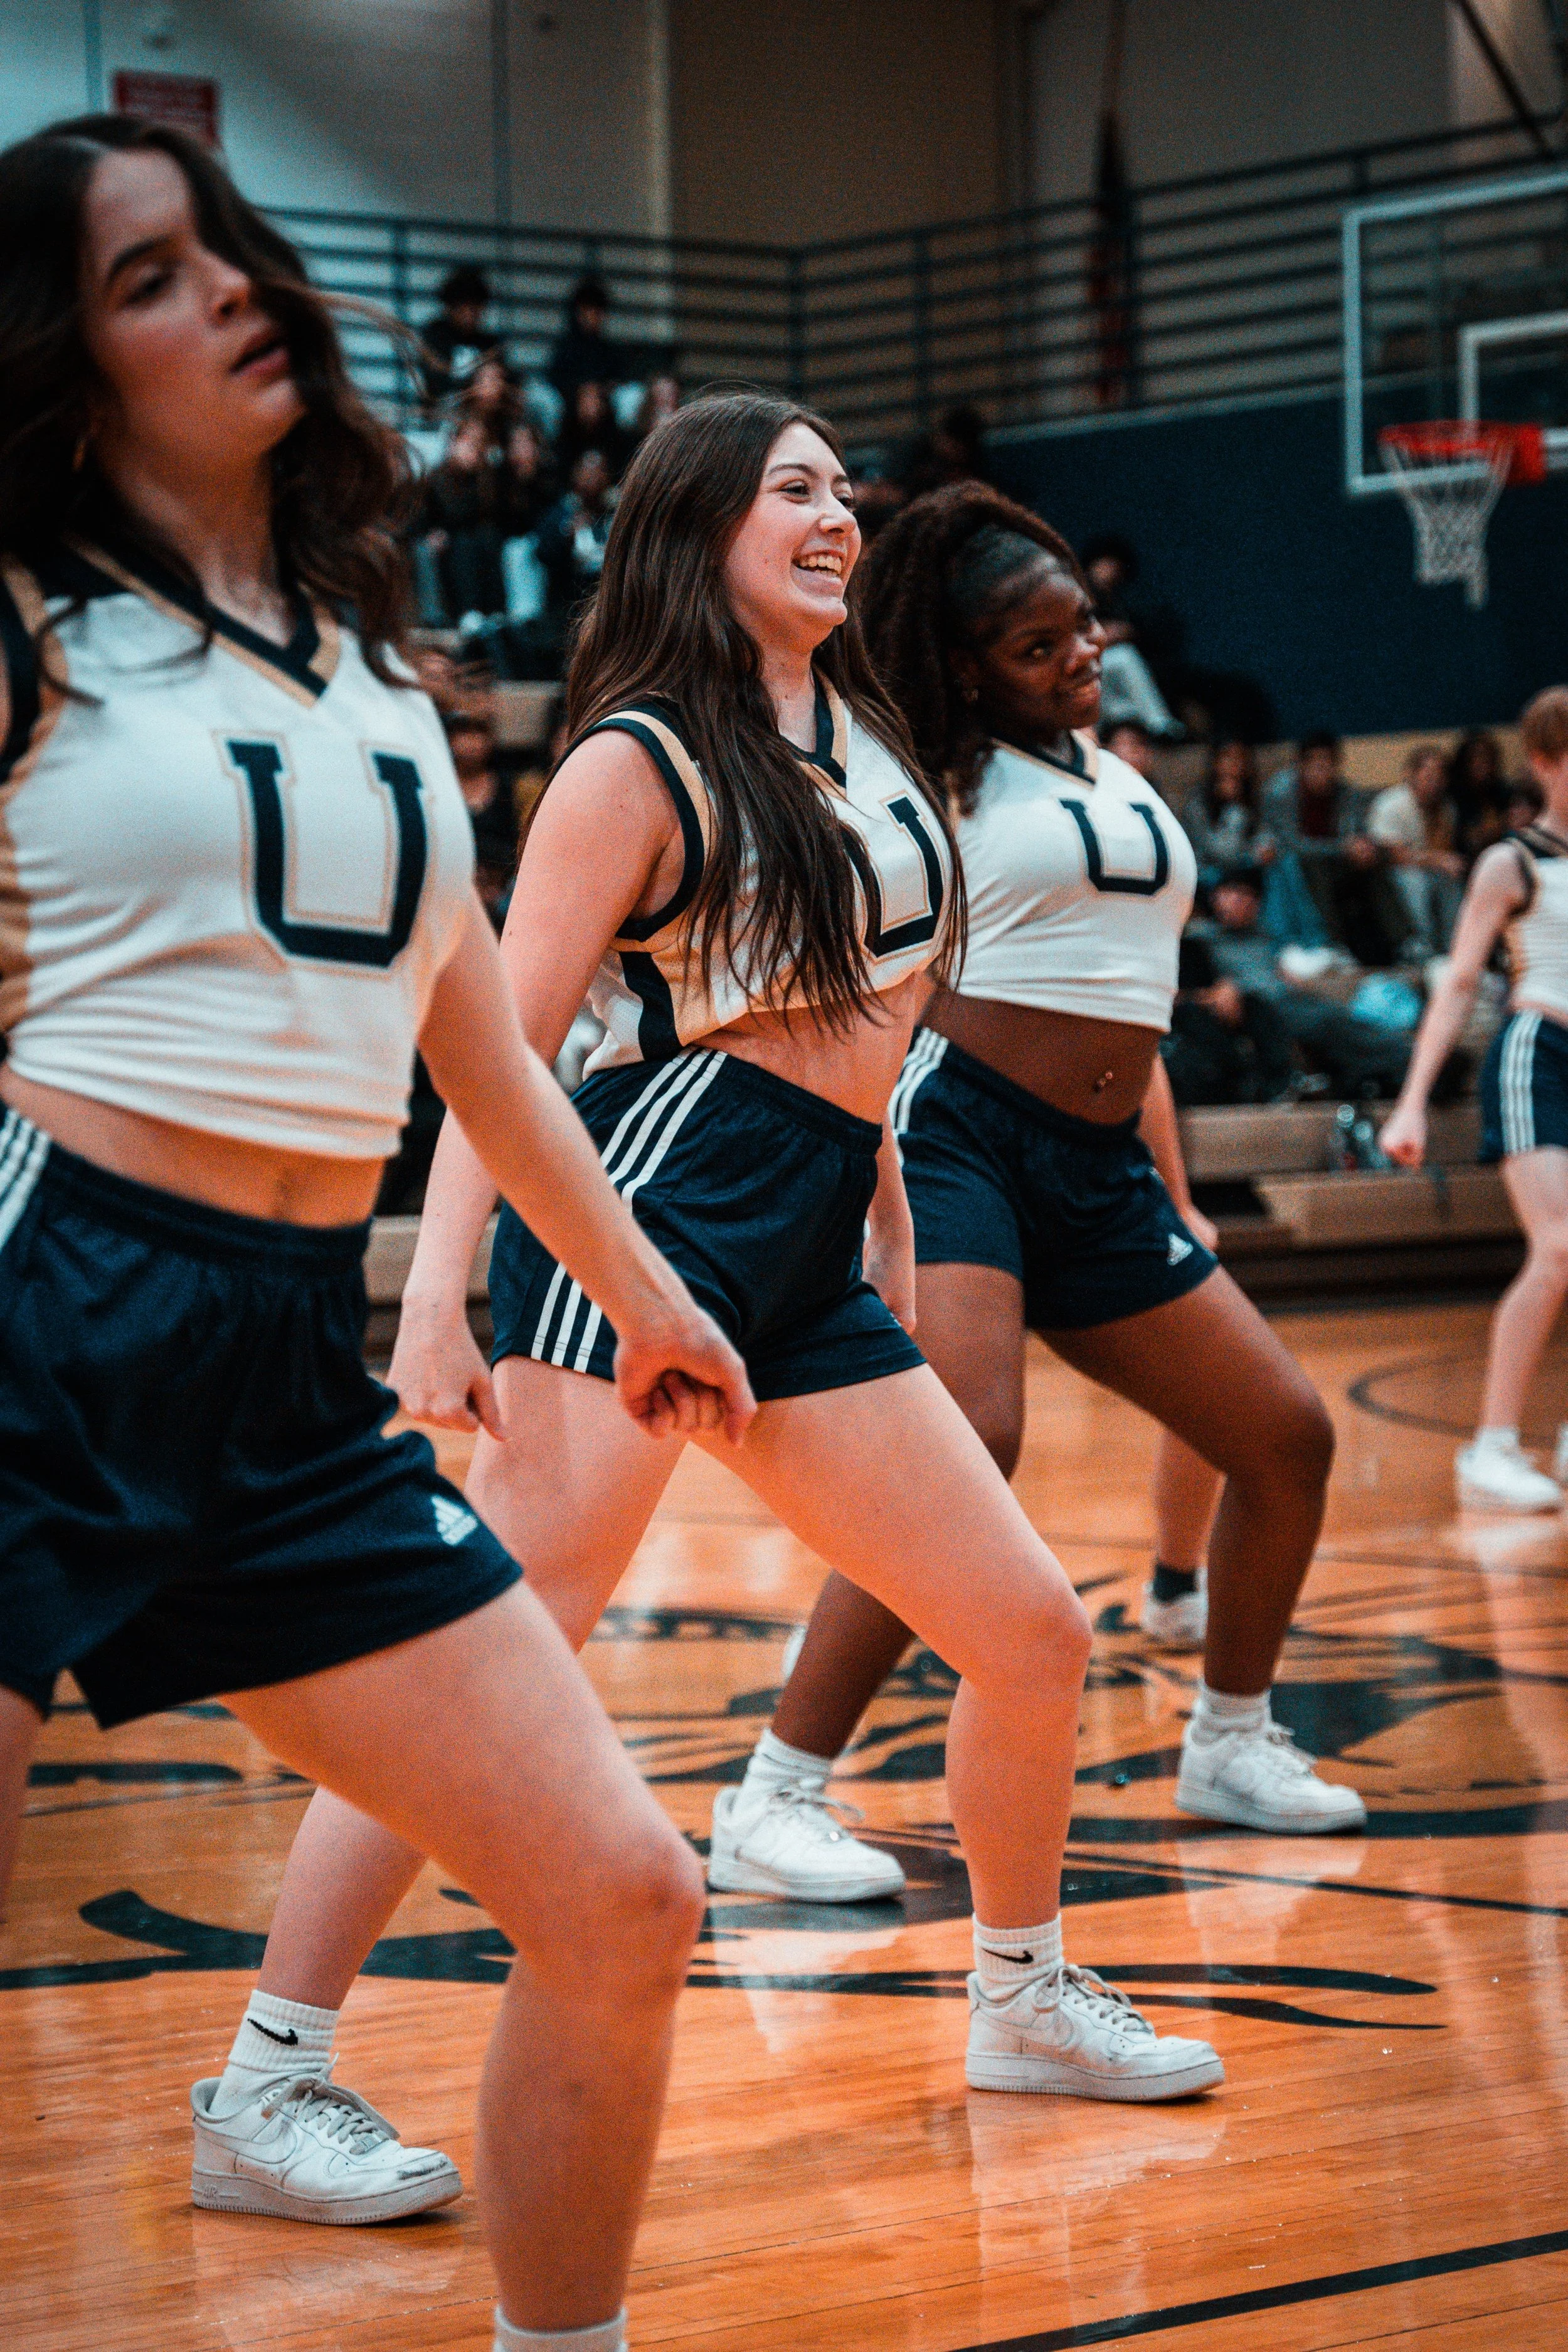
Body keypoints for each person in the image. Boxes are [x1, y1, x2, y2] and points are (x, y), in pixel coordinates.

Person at [208, 393, 1228, 2183]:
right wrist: (436, 1302)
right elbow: (500, 1054)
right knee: (475, 1675)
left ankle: (1020, 1989)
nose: (835, 515)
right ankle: (268, 2075)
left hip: (810, 1243)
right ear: (701, 523)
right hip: (643, 1226)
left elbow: (872, 1015)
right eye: (792, 490)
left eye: (843, 489)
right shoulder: (635, 756)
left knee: (1030, 1632)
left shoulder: (867, 732)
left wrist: (890, 1205)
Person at [0, 115, 759, 2352]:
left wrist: (645, 1292)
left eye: (222, 250)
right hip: (42, 1301)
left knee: (623, 1888)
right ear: (60, 363)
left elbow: (478, 1051)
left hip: (281, 1356)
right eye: (149, 277)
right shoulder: (23, 620)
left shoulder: (365, 657)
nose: (226, 286)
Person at [717, 484, 1360, 1867]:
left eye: (1082, 629)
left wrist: (1172, 1185)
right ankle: (772, 1791)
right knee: (969, 1440)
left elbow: (1139, 1022)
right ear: (960, 665)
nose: (1079, 657)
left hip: (1102, 1163)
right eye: (1035, 645)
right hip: (960, 1139)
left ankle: (1231, 1742)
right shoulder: (922, 778)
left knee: (1283, 1438)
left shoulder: (1115, 771)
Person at [1382, 687, 1568, 1513]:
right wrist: (1413, 1100)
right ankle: (1491, 1447)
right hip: (1540, 1052)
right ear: (1546, 761)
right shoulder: (1512, 861)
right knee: (1560, 1248)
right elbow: (1460, 981)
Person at [1261, 731, 1404, 964]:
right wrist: (1343, 848)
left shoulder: (1348, 794)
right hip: (1298, 865)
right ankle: (1329, 942)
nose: (1321, 769)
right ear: (1300, 765)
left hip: (1339, 863)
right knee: (1309, 864)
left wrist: (1364, 847)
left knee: (1374, 861)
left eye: (1327, 762)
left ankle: (1405, 942)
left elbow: (1358, 833)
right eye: (1315, 763)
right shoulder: (1279, 793)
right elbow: (1291, 845)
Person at [1367, 744, 1465, 960]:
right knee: (1414, 881)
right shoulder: (1391, 803)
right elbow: (1394, 854)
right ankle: (1422, 951)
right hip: (1388, 876)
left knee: (1451, 878)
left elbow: (1445, 853)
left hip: (1427, 871)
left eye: (1441, 775)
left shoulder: (1446, 808)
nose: (1435, 781)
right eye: (1429, 774)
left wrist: (1443, 860)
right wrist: (1439, 860)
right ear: (1412, 774)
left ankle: (1454, 949)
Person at [418, 263, 504, 415]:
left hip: (485, 417)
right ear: (450, 307)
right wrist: (475, 385)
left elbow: (507, 379)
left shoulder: (489, 343)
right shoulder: (434, 338)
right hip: (443, 413)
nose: (469, 314)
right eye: (463, 307)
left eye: (475, 307)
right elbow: (435, 383)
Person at [548, 273, 620, 397]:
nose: (591, 317)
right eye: (587, 310)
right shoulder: (565, 348)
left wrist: (597, 392)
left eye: (596, 312)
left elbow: (616, 380)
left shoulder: (608, 350)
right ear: (578, 313)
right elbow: (557, 380)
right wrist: (582, 392)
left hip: (602, 402)